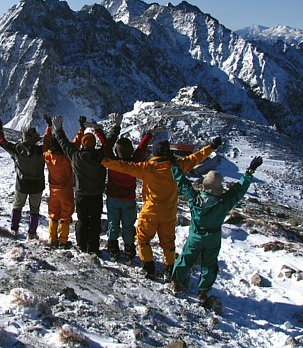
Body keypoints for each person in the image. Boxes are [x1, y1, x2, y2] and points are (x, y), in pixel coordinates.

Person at [101, 137, 220, 280]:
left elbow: (123, 166)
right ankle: (169, 268)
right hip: (169, 213)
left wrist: (103, 161)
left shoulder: (146, 168)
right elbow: (196, 158)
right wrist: (211, 147)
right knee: (168, 242)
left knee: (143, 239)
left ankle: (148, 266)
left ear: (154, 153)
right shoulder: (177, 166)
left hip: (150, 211)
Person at [170, 156, 263, 304]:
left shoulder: (195, 199)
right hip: (213, 239)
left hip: (195, 237)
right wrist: (249, 172)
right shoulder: (223, 203)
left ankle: (176, 283)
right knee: (209, 264)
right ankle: (202, 293)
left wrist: (174, 166)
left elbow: (183, 183)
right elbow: (238, 190)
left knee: (186, 259)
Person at [96, 123, 156, 262]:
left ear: (117, 151)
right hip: (128, 200)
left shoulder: (112, 163)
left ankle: (113, 250)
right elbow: (141, 149)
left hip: (113, 199)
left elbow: (105, 145)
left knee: (113, 224)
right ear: (130, 151)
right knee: (128, 226)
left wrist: (97, 129)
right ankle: (129, 251)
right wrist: (150, 134)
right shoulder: (134, 164)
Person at [52, 115, 106, 255]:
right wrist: (100, 130)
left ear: (82, 144)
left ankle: (82, 245)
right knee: (95, 221)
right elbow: (109, 143)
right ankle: (93, 248)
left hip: (81, 194)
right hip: (96, 195)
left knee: (82, 220)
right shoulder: (100, 155)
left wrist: (58, 129)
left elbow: (64, 144)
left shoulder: (75, 156)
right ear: (94, 144)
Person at [0, 117, 45, 239]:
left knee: (17, 206)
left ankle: (14, 229)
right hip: (37, 185)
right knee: (34, 210)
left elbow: (1, 140)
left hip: (21, 184)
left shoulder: (16, 149)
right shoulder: (41, 151)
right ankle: (32, 233)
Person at [42, 114, 77, 248]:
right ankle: (63, 240)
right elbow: (75, 145)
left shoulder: (48, 156)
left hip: (53, 191)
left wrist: (49, 128)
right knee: (65, 216)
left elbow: (45, 144)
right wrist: (81, 130)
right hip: (67, 191)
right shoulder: (68, 157)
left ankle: (52, 239)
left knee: (53, 214)